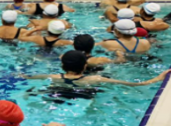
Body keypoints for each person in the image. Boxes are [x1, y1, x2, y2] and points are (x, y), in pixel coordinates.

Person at [25, 50, 168, 86]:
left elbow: (25, 77)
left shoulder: (52, 77)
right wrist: (158, 78)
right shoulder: (96, 79)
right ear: (85, 65)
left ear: (62, 66)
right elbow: (137, 84)